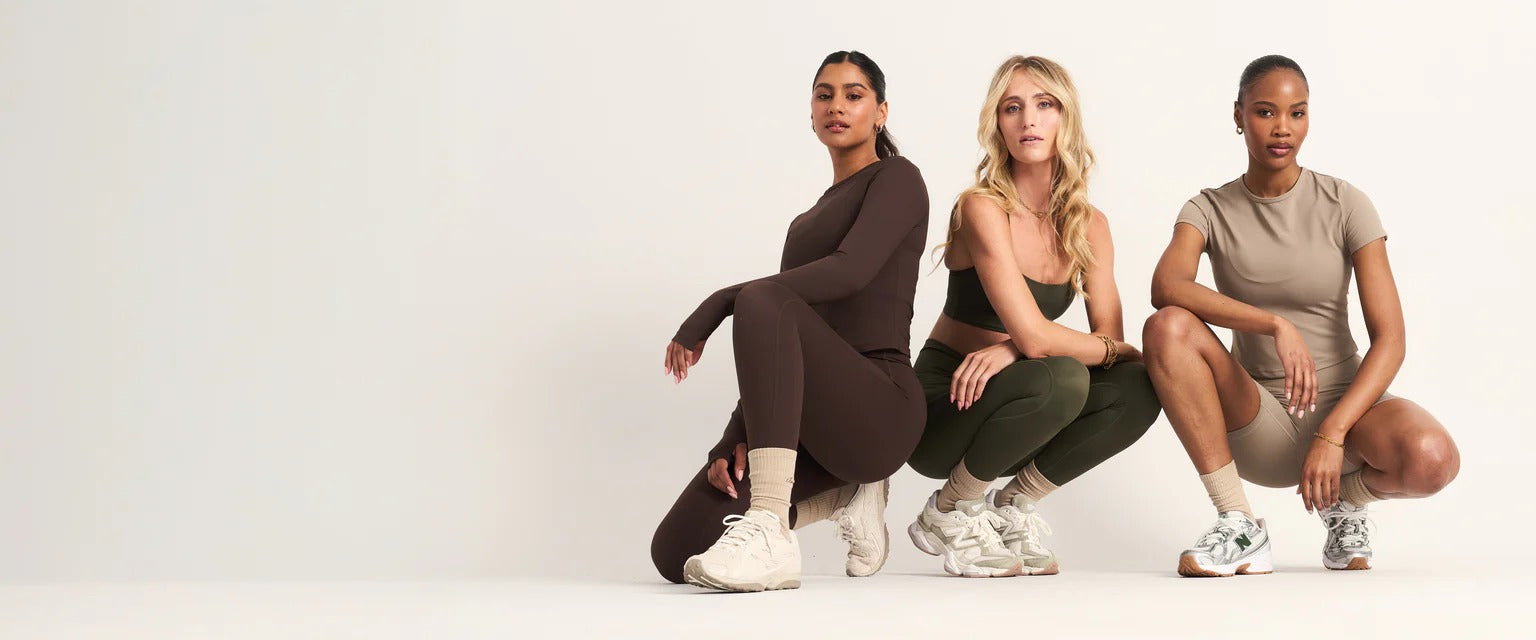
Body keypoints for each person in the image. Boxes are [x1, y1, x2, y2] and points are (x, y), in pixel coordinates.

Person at [1143, 54, 1460, 577]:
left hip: (1350, 413)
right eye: (1265, 111)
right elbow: (1166, 287)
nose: (1282, 129)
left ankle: (1345, 502)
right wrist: (1273, 324)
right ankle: (1238, 522)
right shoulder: (1208, 209)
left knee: (1433, 458)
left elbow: (1391, 339)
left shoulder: (1345, 203)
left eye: (1297, 113)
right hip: (1257, 417)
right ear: (1239, 115)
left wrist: (1333, 433)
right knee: (1167, 327)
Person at [649, 51, 929, 592]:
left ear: (881, 112)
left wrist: (721, 301)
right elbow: (776, 345)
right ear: (811, 112)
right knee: (677, 549)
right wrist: (733, 439)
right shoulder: (805, 224)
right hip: (814, 428)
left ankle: (771, 527)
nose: (837, 106)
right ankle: (847, 497)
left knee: (761, 299)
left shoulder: (897, 178)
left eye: (854, 95)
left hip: (881, 409)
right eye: (824, 95)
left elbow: (850, 271)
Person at [904, 55, 1161, 578]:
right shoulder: (981, 207)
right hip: (948, 403)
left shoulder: (1090, 225)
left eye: (1045, 105)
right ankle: (950, 508)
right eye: (1012, 108)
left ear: (1066, 117)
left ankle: (1012, 504)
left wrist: (1015, 347)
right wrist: (1032, 343)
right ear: (997, 124)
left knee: (1137, 386)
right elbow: (1060, 344)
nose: (1029, 121)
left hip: (1023, 400)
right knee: (1062, 374)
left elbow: (1110, 345)